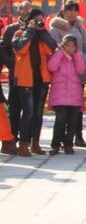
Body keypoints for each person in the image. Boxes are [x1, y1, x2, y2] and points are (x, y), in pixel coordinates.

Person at [13, 8, 58, 156]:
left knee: (38, 113)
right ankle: (23, 143)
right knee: (28, 111)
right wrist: (30, 30)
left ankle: (35, 142)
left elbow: (52, 48)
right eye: (36, 19)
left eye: (41, 20)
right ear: (29, 20)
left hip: (41, 78)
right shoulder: (19, 33)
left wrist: (42, 31)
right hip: (25, 79)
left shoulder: (43, 36)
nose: (39, 22)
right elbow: (19, 49)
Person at [49, 0, 86, 147]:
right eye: (69, 10)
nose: (72, 13)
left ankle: (77, 136)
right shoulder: (56, 28)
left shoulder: (79, 27)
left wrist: (84, 62)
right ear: (64, 11)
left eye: (75, 10)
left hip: (78, 73)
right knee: (62, 112)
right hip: (62, 74)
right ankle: (60, 138)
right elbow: (54, 49)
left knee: (76, 108)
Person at [46, 34, 86, 155]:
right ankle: (56, 143)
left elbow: (81, 70)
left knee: (73, 120)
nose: (69, 48)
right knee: (60, 119)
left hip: (74, 93)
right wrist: (59, 53)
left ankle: (69, 143)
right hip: (60, 93)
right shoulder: (57, 55)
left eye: (72, 46)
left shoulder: (77, 57)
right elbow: (51, 67)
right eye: (67, 46)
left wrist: (77, 56)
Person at [2, 1, 33, 154]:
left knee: (30, 110)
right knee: (14, 109)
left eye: (29, 9)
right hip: (16, 75)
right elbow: (3, 49)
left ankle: (27, 140)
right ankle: (11, 139)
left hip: (32, 75)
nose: (27, 12)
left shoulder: (36, 28)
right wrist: (12, 64)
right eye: (24, 9)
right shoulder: (11, 29)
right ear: (18, 11)